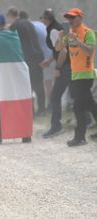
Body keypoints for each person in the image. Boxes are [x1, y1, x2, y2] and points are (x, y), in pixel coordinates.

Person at [0, 13, 33, 144]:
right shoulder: (15, 36)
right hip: (21, 73)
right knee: (23, 103)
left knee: (3, 103)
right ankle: (26, 135)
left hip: (6, 75)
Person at [59, 8, 97, 146]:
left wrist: (77, 41)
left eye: (73, 17)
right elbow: (59, 48)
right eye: (68, 17)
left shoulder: (88, 33)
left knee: (78, 107)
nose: (70, 20)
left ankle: (80, 137)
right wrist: (60, 38)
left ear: (80, 18)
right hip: (75, 75)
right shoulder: (69, 33)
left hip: (86, 74)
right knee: (91, 105)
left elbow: (89, 51)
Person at [7, 6, 46, 116]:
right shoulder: (29, 23)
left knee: (27, 85)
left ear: (10, 16)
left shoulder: (14, 26)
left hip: (27, 58)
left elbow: (12, 44)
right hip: (38, 56)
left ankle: (30, 111)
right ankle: (42, 109)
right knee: (39, 85)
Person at [40, 9, 72, 138]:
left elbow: (62, 51)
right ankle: (87, 120)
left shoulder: (53, 31)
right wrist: (49, 60)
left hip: (65, 66)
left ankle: (56, 126)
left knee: (55, 96)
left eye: (42, 18)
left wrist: (58, 67)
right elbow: (57, 50)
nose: (42, 20)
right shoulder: (56, 28)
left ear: (46, 19)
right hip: (69, 65)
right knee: (78, 94)